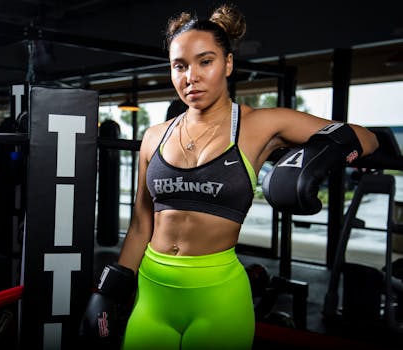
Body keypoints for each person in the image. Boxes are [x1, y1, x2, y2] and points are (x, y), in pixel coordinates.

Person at [80, 3, 379, 349]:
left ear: (228, 64)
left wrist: (316, 159)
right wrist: (109, 289)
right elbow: (140, 225)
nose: (191, 77)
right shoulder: (154, 136)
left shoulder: (259, 125)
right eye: (180, 66)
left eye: (205, 61)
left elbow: (365, 138)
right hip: (152, 294)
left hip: (217, 297)